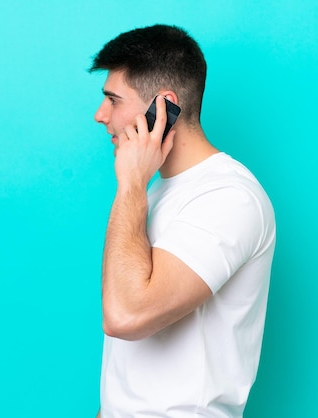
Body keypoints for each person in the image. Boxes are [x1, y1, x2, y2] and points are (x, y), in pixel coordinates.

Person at [89, 24, 276, 418]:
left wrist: (131, 184)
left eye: (113, 99)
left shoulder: (229, 197)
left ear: (163, 106)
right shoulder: (153, 194)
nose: (100, 115)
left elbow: (126, 315)